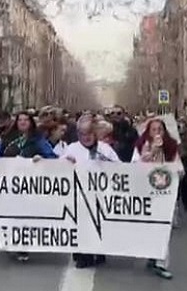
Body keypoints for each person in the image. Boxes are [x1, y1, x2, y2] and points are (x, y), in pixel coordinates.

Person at [0, 111, 57, 262]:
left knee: (25, 214)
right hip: (9, 183)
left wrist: (41, 158)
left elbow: (51, 156)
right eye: (20, 120)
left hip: (29, 184)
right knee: (11, 213)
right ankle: (12, 241)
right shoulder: (7, 138)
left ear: (31, 122)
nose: (22, 122)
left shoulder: (37, 139)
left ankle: (23, 246)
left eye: (26, 120)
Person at [64, 116, 119, 268]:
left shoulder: (104, 149)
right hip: (79, 195)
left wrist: (107, 164)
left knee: (98, 224)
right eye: (82, 134)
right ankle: (83, 256)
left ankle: (99, 251)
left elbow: (119, 169)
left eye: (89, 133)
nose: (86, 137)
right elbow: (58, 168)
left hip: (100, 195)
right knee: (81, 225)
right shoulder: (72, 149)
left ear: (94, 134)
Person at [131, 118, 180, 279]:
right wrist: (150, 154)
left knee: (164, 227)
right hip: (146, 192)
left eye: (160, 129)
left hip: (164, 193)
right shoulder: (140, 146)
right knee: (150, 227)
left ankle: (161, 263)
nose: (157, 132)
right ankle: (152, 256)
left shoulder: (171, 148)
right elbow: (134, 166)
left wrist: (170, 169)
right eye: (154, 129)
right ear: (148, 132)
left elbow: (179, 169)